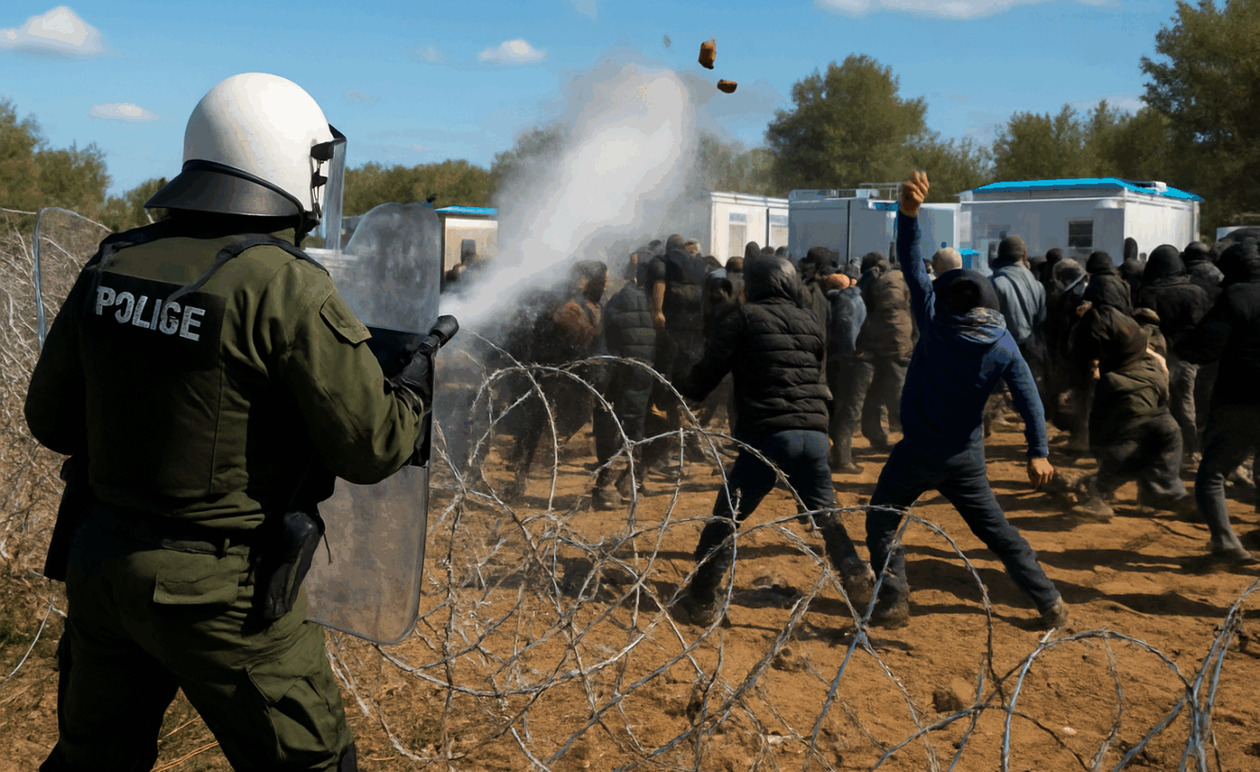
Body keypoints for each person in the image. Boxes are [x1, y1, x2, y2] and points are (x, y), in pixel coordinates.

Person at [23, 73, 437, 772]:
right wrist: (409, 392)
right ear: (285, 160)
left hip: (102, 565)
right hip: (221, 594)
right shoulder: (284, 282)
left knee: (92, 759)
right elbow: (371, 449)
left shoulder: (113, 260)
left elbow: (51, 421)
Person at [864, 171, 1066, 630]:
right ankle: (1049, 602)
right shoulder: (1001, 342)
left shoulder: (936, 326)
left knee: (881, 522)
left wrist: (909, 214)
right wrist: (1037, 451)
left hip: (916, 452)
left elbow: (914, 269)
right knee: (998, 534)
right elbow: (1028, 397)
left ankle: (893, 601)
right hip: (965, 458)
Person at [671, 255, 873, 626]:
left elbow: (707, 373)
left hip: (767, 436)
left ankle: (700, 600)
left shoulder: (743, 318)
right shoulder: (811, 321)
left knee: (726, 517)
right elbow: (819, 379)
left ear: (757, 284)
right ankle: (856, 573)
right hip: (813, 435)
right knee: (826, 516)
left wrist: (678, 386)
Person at [1176, 238, 1260, 565]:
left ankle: (1225, 540)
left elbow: (1206, 347)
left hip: (1241, 398)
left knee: (1212, 473)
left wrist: (1180, 346)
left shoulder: (1236, 296)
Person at [592, 256, 657, 509]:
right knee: (635, 425)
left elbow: (606, 336)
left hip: (620, 372)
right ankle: (629, 483)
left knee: (612, 428)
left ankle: (605, 487)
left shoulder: (617, 300)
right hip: (646, 373)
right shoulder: (654, 302)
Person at [1136, 245, 1213, 457]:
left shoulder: (1147, 292)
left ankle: (1161, 450)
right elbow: (1204, 327)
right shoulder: (1197, 292)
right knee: (1187, 402)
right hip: (1188, 358)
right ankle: (1191, 449)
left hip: (1156, 358)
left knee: (1158, 405)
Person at [855, 251, 914, 450]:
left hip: (883, 346)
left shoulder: (872, 281)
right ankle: (908, 437)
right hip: (902, 344)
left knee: (879, 395)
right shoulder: (900, 278)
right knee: (896, 392)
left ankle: (882, 437)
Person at [823, 268, 869, 473]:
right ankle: (841, 455)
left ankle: (841, 457)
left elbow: (845, 327)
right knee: (846, 408)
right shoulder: (857, 298)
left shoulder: (839, 302)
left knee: (844, 409)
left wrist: (846, 353)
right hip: (852, 359)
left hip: (844, 360)